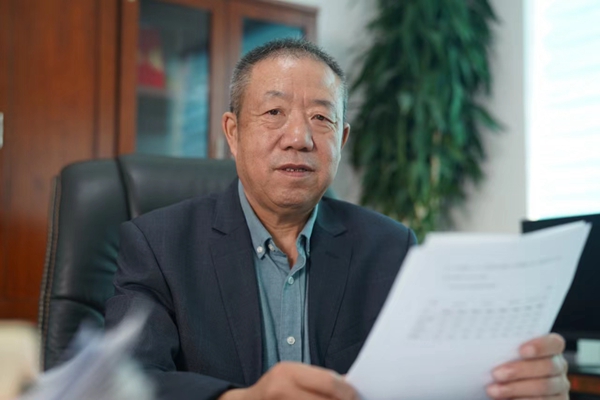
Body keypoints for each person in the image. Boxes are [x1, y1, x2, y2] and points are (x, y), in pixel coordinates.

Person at [105, 39, 570, 400]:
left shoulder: (389, 247)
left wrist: (511, 385)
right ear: (233, 132)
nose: (299, 137)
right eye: (274, 112)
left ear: (342, 139)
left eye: (321, 119)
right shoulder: (158, 244)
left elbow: (427, 381)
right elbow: (122, 382)